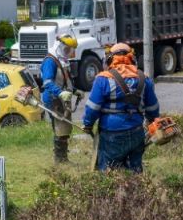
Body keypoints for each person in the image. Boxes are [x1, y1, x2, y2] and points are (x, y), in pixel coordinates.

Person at [81, 43, 160, 173]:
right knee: (135, 170)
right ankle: (139, 192)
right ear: (132, 58)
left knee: (109, 172)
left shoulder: (103, 79)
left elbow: (92, 108)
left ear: (109, 59)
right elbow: (153, 108)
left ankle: (113, 193)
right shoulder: (143, 78)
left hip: (111, 133)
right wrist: (153, 122)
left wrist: (87, 124)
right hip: (137, 132)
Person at [40, 34, 78, 163]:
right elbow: (47, 82)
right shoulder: (50, 61)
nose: (70, 52)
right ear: (61, 46)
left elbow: (66, 80)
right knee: (60, 128)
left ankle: (63, 158)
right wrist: (60, 93)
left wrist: (75, 90)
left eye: (71, 50)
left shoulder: (62, 60)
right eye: (68, 49)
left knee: (65, 128)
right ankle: (59, 159)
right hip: (53, 99)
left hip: (62, 98)